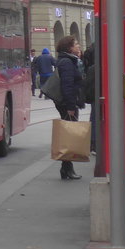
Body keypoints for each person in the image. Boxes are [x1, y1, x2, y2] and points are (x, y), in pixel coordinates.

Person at [54, 35, 85, 180]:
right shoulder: (67, 62)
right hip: (68, 104)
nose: (78, 46)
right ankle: (67, 169)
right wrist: (71, 106)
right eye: (76, 44)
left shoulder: (67, 60)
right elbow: (67, 86)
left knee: (68, 136)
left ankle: (66, 169)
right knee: (68, 137)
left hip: (67, 103)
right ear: (69, 47)